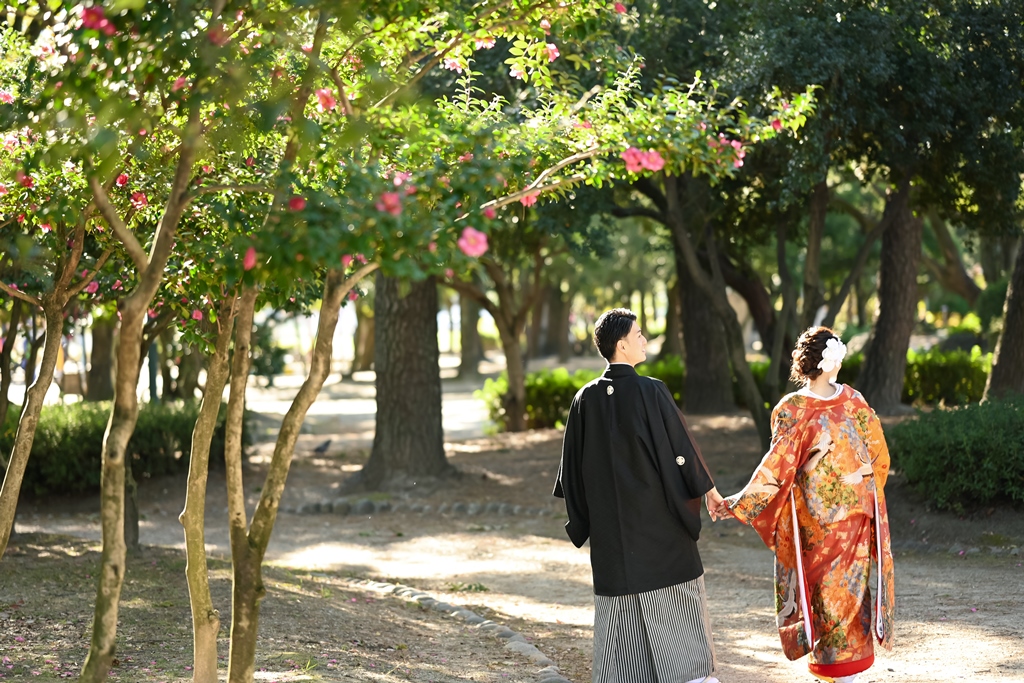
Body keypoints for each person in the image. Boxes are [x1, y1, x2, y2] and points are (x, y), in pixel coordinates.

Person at [711, 327, 895, 683]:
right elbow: (877, 458)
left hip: (838, 518)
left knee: (843, 590)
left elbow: (778, 466)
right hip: (828, 519)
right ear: (828, 362)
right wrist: (740, 502)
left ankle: (843, 669)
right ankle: (836, 669)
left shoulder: (818, 405)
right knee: (833, 592)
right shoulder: (823, 405)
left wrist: (740, 502)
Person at [554, 308, 725, 683]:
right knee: (676, 603)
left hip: (611, 535)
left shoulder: (584, 399)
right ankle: (691, 677)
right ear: (621, 345)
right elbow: (682, 450)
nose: (645, 341)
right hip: (659, 527)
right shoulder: (651, 390)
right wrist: (708, 491)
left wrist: (587, 521)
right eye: (639, 335)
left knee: (621, 618)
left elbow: (570, 475)